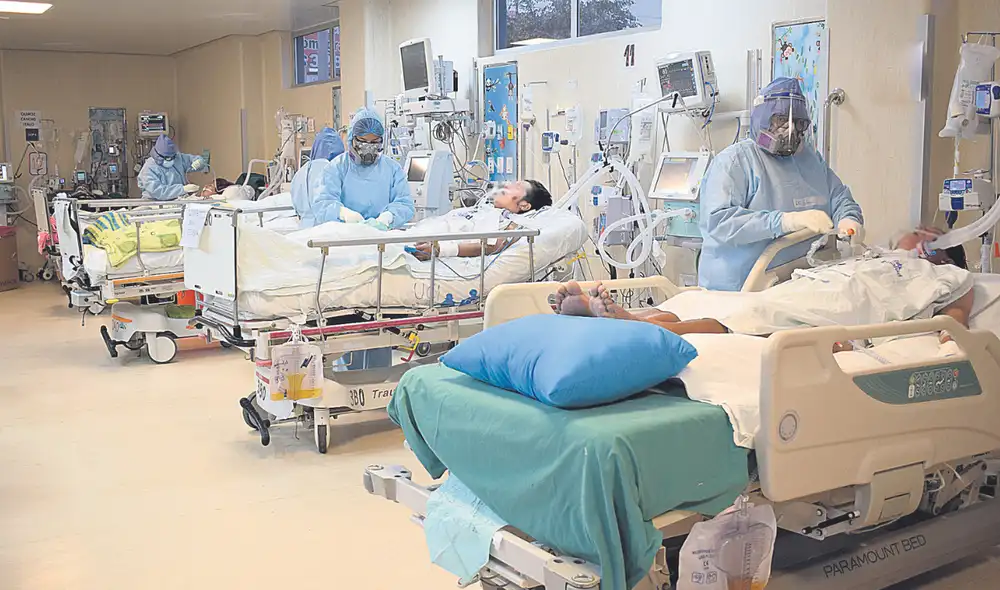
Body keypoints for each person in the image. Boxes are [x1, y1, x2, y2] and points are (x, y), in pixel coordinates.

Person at [555, 228, 974, 343]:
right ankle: (631, 315)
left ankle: (637, 326)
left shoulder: (947, 275)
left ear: (943, 250)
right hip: (810, 288)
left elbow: (955, 322)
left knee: (753, 315)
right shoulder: (873, 255)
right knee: (707, 301)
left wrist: (947, 341)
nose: (917, 233)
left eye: (929, 233)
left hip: (842, 306)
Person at [698, 77, 865, 292]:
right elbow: (720, 222)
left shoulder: (809, 159)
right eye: (781, 120)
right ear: (762, 119)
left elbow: (838, 197)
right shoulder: (735, 162)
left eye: (798, 123)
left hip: (799, 280)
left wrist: (849, 218)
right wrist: (785, 221)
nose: (791, 131)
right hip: (740, 288)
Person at [312, 108, 414, 230]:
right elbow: (323, 203)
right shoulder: (336, 168)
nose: (368, 147)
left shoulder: (393, 170)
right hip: (344, 236)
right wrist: (342, 213)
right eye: (363, 142)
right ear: (352, 139)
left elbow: (405, 204)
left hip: (382, 236)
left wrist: (388, 217)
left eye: (374, 142)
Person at [410, 179, 553, 260]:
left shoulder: (513, 224)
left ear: (524, 205)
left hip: (419, 245)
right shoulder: (486, 210)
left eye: (517, 187)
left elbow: (494, 245)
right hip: (413, 235)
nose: (506, 185)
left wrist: (440, 250)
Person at [291, 127, 346, 228]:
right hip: (330, 230)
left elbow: (297, 208)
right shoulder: (335, 171)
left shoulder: (300, 173)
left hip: (304, 230)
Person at [137, 135, 210, 201]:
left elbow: (193, 160)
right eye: (168, 158)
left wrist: (199, 162)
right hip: (154, 203)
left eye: (173, 157)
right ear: (158, 156)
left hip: (178, 201)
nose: (172, 160)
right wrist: (182, 189)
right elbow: (158, 192)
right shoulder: (149, 168)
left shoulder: (178, 158)